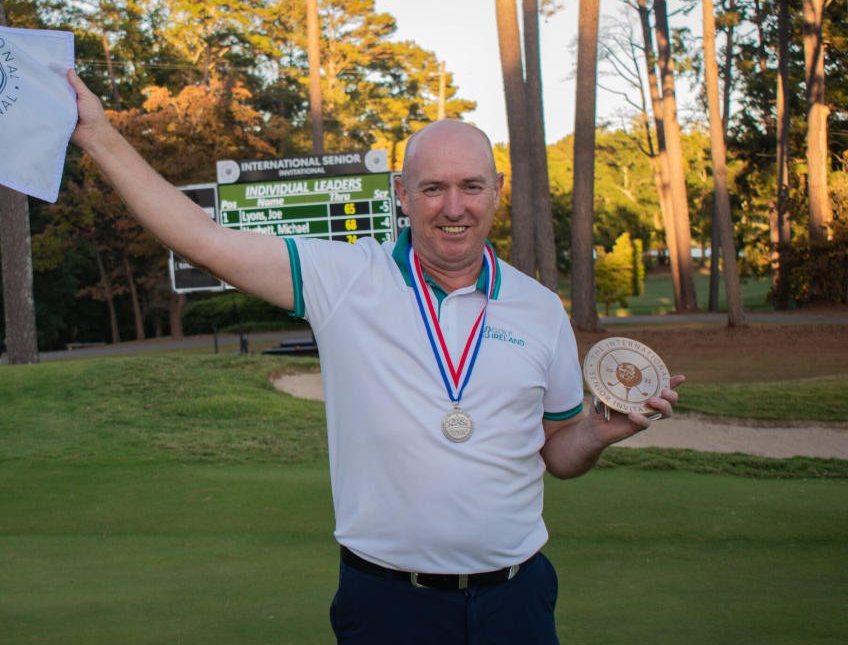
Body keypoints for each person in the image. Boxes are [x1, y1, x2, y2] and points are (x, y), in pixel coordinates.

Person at [65, 69, 683, 644]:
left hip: (515, 602)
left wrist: (603, 432)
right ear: (402, 195)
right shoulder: (344, 279)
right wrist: (99, 136)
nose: (454, 206)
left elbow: (558, 454)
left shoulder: (539, 308)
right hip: (390, 606)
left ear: (496, 191)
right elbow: (204, 240)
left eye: (471, 186)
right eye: (433, 188)